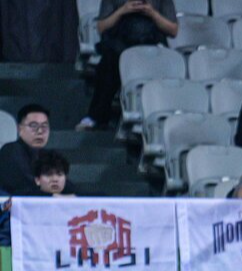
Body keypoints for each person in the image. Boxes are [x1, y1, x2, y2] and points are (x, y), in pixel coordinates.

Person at [78, 0, 178, 131]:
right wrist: (123, 10)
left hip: (151, 45)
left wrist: (152, 13)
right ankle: (96, 116)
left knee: (166, 63)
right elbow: (102, 27)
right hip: (120, 45)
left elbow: (173, 30)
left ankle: (162, 118)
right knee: (108, 63)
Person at [1, 105, 77, 197]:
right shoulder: (11, 150)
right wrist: (52, 196)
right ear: (19, 129)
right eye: (34, 126)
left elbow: (66, 185)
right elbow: (23, 185)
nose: (40, 131)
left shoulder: (47, 155)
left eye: (44, 126)